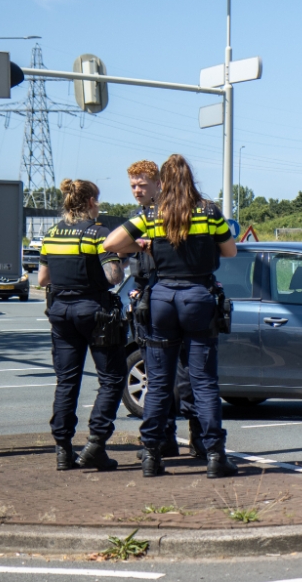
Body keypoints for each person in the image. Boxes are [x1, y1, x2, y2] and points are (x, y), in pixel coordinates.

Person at [104, 154, 238, 478]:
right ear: (190, 178)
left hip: (162, 297)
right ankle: (215, 456)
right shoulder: (209, 211)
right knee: (204, 382)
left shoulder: (153, 214)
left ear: (163, 182)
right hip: (198, 296)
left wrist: (148, 246)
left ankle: (151, 455)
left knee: (159, 383)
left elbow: (111, 242)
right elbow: (230, 251)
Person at [38, 179, 126, 471]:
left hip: (60, 311)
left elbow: (42, 280)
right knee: (112, 377)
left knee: (67, 381)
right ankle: (96, 444)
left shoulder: (51, 234)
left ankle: (63, 450)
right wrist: (121, 259)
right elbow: (113, 277)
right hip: (94, 312)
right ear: (91, 202)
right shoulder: (98, 234)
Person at [123, 160, 205, 461]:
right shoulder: (139, 217)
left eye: (142, 185)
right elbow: (115, 247)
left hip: (171, 298)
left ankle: (199, 438)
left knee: (187, 376)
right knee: (157, 376)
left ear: (160, 184)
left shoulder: (175, 215)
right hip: (148, 302)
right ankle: (164, 440)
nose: (137, 191)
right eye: (133, 185)